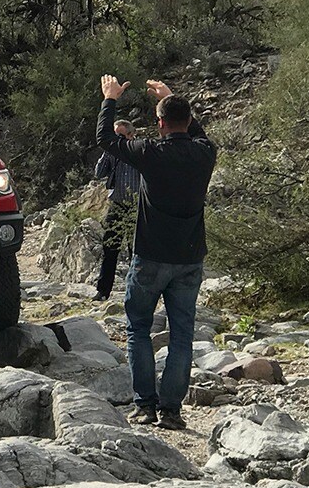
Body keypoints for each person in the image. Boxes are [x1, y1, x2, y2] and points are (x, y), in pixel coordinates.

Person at [96, 75, 217, 431]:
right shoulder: (204, 153)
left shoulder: (150, 152)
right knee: (182, 335)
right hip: (189, 258)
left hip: (149, 256)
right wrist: (173, 97)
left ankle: (145, 406)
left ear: (160, 123)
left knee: (138, 329)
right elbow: (198, 132)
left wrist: (109, 99)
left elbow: (106, 140)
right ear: (187, 119)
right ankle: (171, 411)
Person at [93, 120, 141, 301]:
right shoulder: (113, 154)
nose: (117, 140)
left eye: (121, 136)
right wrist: (108, 150)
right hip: (117, 205)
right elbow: (99, 173)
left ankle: (136, 292)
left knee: (136, 250)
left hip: (136, 206)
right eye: (115, 136)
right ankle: (103, 290)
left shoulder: (139, 152)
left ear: (130, 135)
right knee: (110, 247)